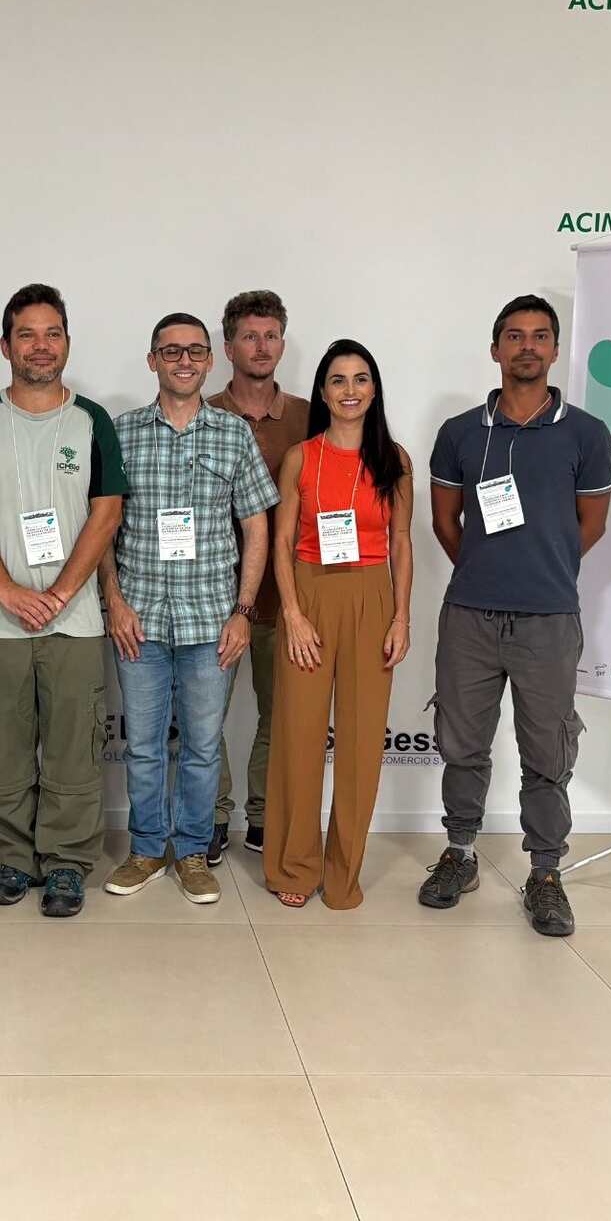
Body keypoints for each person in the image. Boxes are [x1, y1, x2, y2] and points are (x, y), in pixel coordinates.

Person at [418, 295, 611, 936]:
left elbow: (591, 525)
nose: (527, 346)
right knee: (461, 744)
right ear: (495, 348)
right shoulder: (460, 433)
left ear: (555, 349)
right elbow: (446, 521)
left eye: (539, 336)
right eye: (514, 335)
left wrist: (540, 568)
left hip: (548, 619)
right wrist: (486, 568)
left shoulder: (586, 434)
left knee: (548, 751)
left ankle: (546, 874)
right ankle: (461, 853)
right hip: (469, 616)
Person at [0, 283, 127, 917]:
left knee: (74, 748)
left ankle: (68, 862)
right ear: (6, 346)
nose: (41, 346)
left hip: (72, 619)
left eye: (53, 334)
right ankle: (16, 858)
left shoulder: (92, 420)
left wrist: (60, 592)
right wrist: (5, 589)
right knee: (3, 745)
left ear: (67, 343)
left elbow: (106, 513)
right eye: (27, 334)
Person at [100, 313, 277, 904]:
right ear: (152, 360)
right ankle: (148, 850)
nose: (184, 360)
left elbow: (256, 527)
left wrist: (243, 611)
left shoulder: (233, 435)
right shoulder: (120, 433)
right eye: (171, 351)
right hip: (139, 621)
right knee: (144, 747)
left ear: (210, 361)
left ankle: (194, 852)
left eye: (195, 351)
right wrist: (114, 601)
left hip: (211, 622)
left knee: (202, 748)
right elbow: (102, 527)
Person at [263, 339, 413, 909]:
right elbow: (280, 541)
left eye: (361, 378)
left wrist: (401, 617)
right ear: (323, 392)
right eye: (338, 380)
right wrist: (293, 613)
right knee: (298, 739)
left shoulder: (394, 459)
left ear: (374, 389)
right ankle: (295, 867)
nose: (350, 390)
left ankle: (344, 872)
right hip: (309, 594)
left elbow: (402, 542)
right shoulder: (301, 457)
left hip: (372, 597)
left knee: (360, 744)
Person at [206, 290, 309, 862]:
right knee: (204, 718)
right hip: (210, 598)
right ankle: (212, 815)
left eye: (271, 336)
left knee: (281, 715)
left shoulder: (309, 418)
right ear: (229, 348)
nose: (262, 346)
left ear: (283, 345)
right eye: (250, 336)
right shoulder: (202, 413)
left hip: (287, 598)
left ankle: (266, 815)